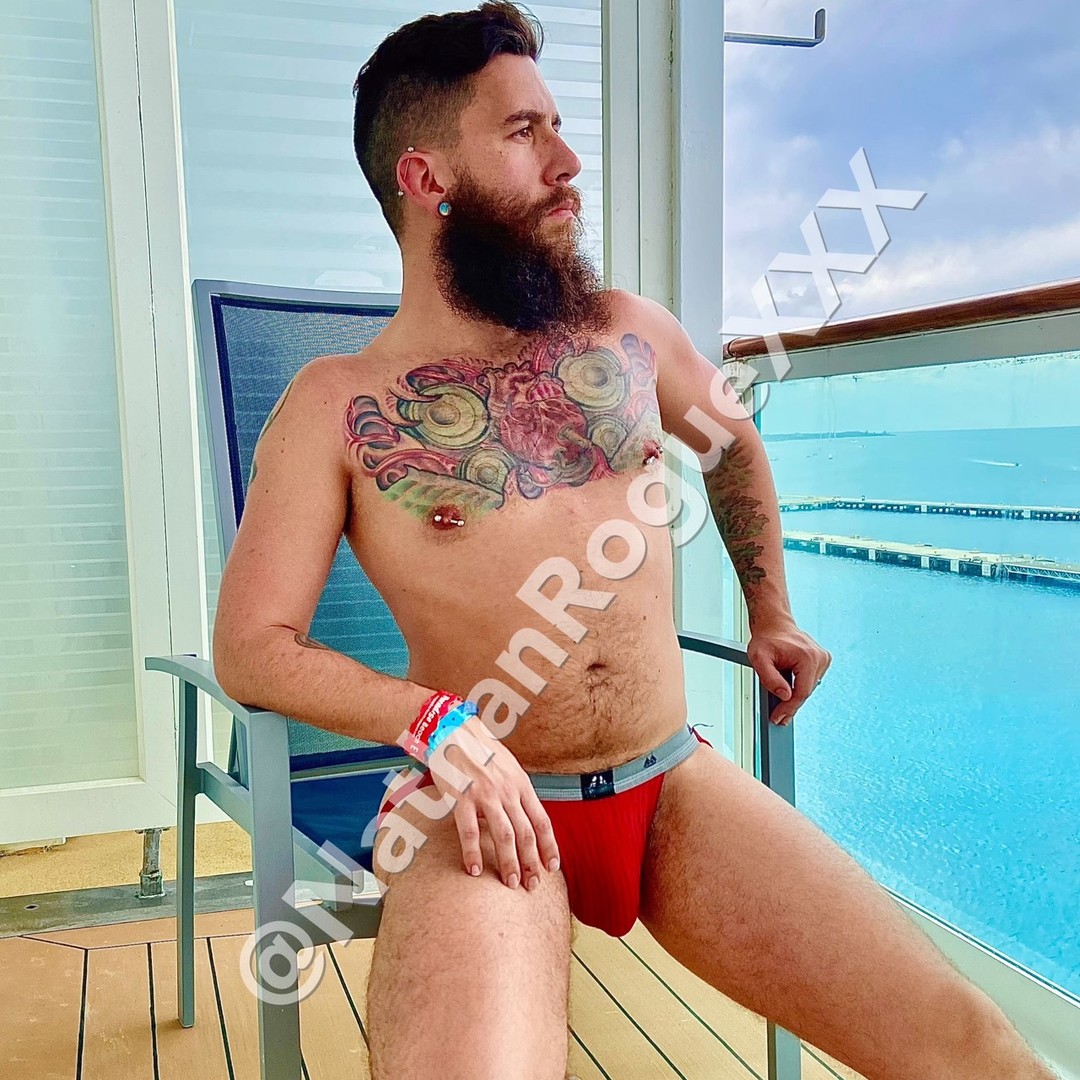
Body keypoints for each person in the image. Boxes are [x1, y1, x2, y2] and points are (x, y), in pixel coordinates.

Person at [211, 4, 1060, 1079]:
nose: (568, 163)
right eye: (524, 132)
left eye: (559, 127)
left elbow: (731, 443)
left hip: (673, 787)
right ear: (426, 178)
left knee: (972, 1047)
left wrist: (771, 610)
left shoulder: (626, 330)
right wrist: (433, 723)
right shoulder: (337, 404)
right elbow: (252, 645)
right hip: (483, 810)